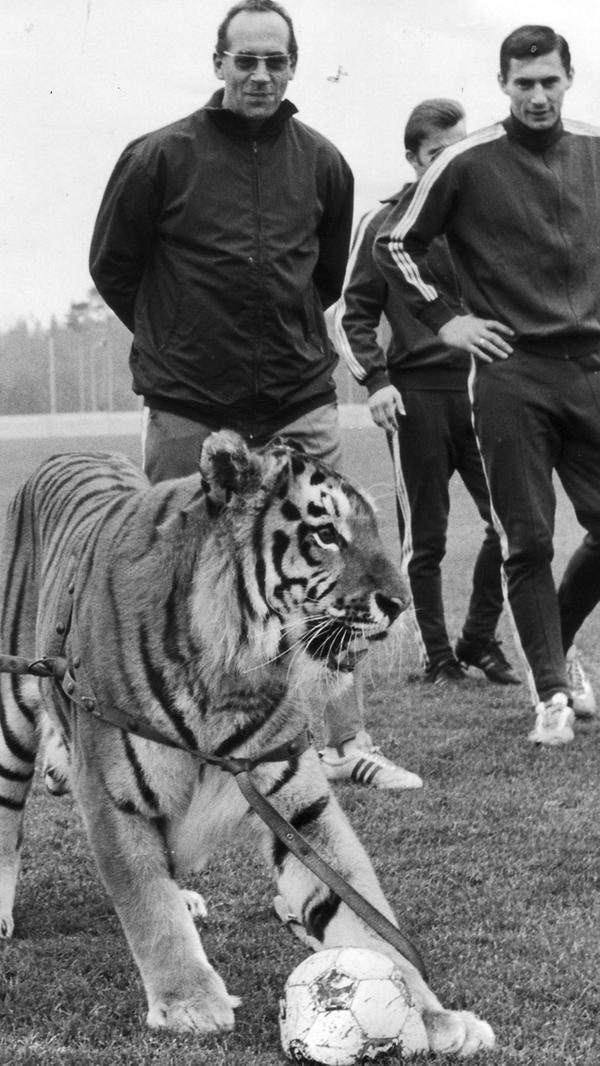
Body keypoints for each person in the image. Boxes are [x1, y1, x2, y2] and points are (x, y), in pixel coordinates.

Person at [89, 0, 422, 790]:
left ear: (294, 66)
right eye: (246, 61)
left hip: (297, 400)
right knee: (168, 569)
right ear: (219, 64)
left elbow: (323, 278)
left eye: (276, 61)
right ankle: (167, 743)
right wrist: (175, 340)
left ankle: (345, 744)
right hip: (190, 403)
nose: (261, 75)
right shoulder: (158, 157)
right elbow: (114, 266)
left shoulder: (324, 163)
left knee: (334, 561)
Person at [374, 25, 598, 745]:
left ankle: (550, 651)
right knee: (527, 539)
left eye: (550, 81)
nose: (538, 94)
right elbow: (394, 241)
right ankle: (552, 697)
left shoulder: (595, 150)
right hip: (509, 375)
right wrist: (448, 321)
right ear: (503, 84)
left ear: (570, 78)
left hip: (589, 370)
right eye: (523, 82)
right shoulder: (466, 161)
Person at [335, 98, 519, 688]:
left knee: (512, 521)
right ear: (413, 159)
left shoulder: (482, 218)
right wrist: (376, 381)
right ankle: (437, 657)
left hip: (486, 390)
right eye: (438, 154)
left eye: (458, 152)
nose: (449, 165)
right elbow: (349, 314)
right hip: (417, 396)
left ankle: (479, 640)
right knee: (427, 537)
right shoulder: (383, 226)